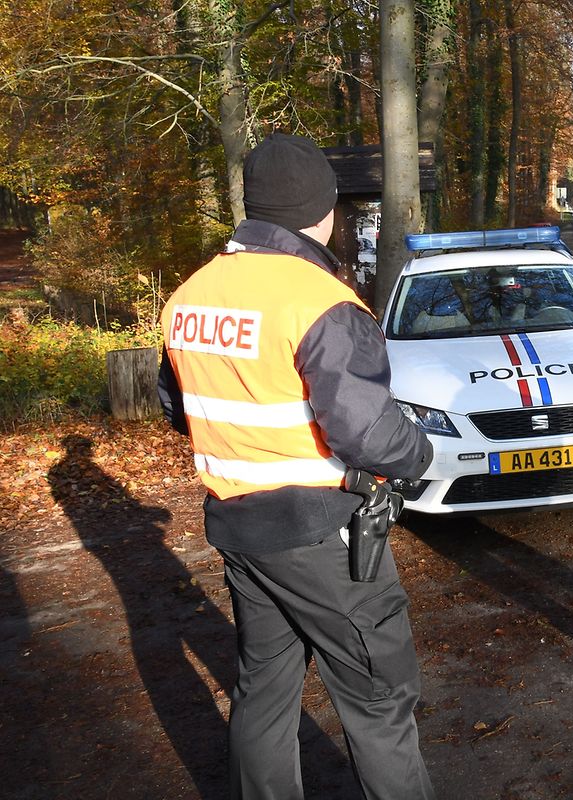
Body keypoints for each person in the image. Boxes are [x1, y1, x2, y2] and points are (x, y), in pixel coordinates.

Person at [158, 132, 436, 800]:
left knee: (264, 689)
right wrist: (420, 451)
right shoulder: (318, 298)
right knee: (379, 699)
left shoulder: (190, 294)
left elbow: (178, 408)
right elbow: (368, 431)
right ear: (324, 208)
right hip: (321, 535)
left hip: (237, 528)